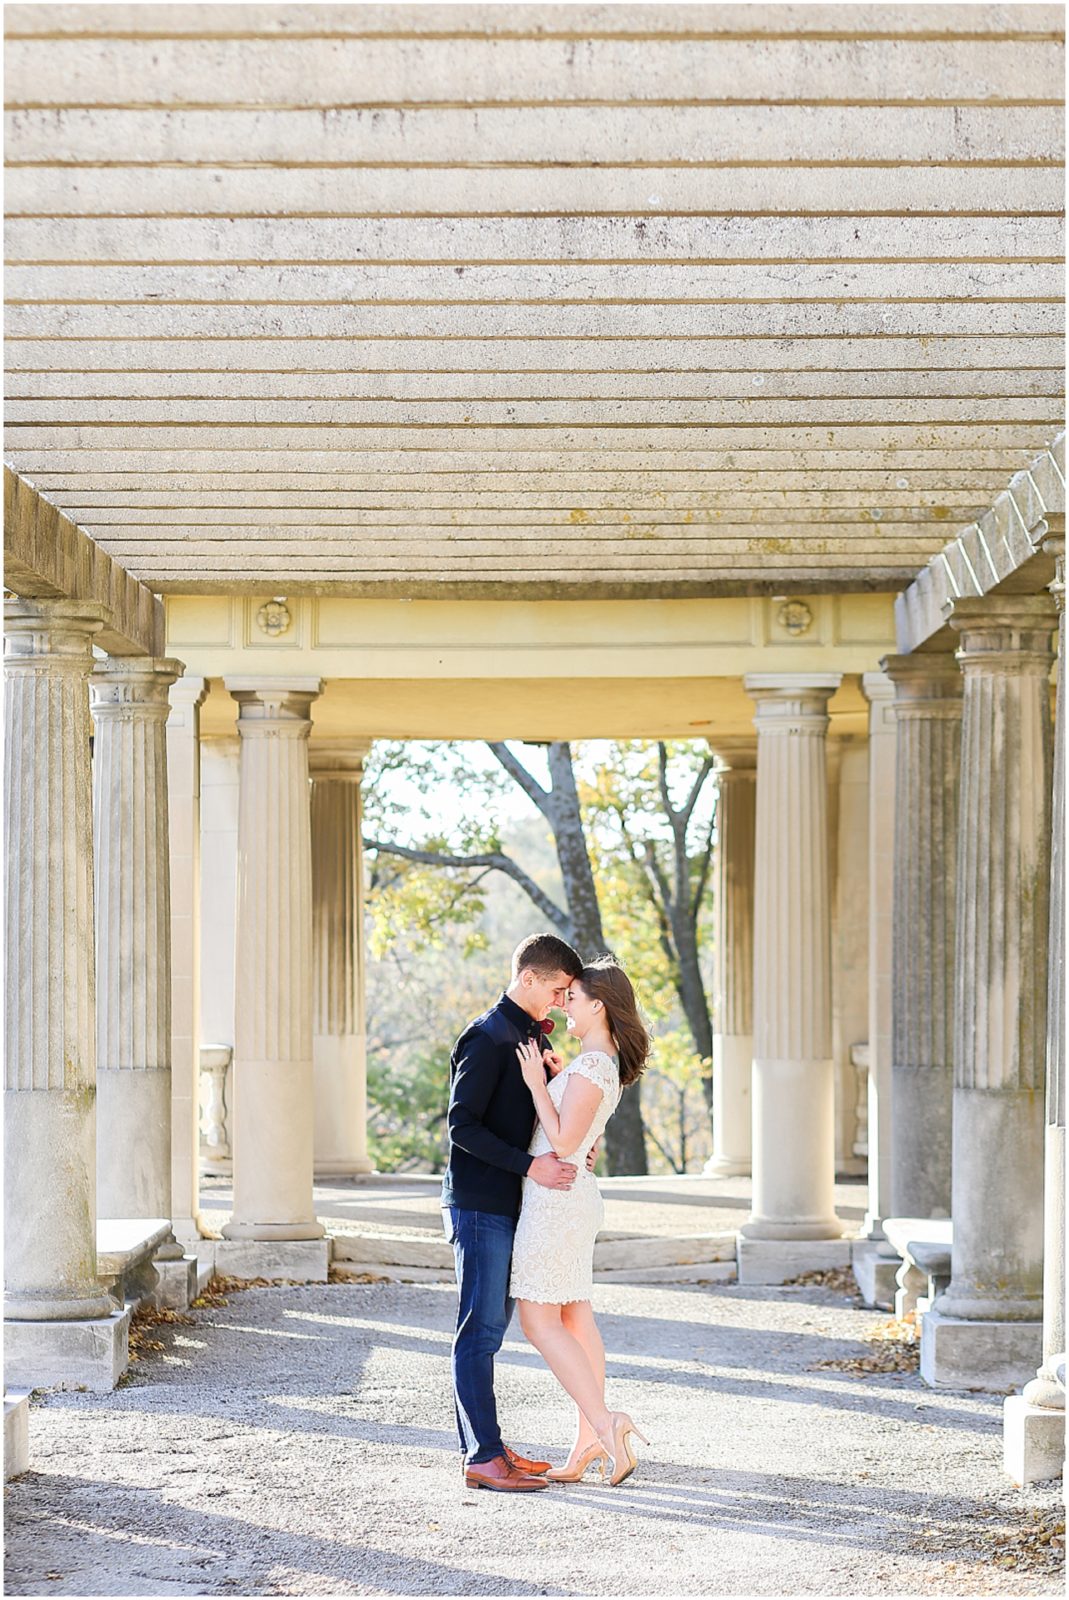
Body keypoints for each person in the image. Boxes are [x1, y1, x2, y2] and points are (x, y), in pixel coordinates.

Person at [442, 932, 587, 1493]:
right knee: (478, 1331)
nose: (558, 1000)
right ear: (528, 977)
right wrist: (530, 1169)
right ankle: (482, 1456)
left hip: (510, 1204)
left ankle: (489, 1445)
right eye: (555, 989)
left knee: (491, 1330)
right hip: (479, 1203)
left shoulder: (526, 1037)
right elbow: (461, 1125)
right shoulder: (486, 1036)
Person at [510, 956, 651, 1486]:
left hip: (558, 1202)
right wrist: (556, 1078)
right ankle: (588, 1444)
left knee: (538, 1320)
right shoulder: (594, 1061)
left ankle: (605, 1423)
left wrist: (535, 1084)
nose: (564, 1004)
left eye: (573, 997)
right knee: (574, 1317)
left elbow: (565, 1141)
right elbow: (581, 1131)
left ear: (599, 1005)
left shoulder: (595, 1065)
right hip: (570, 1198)